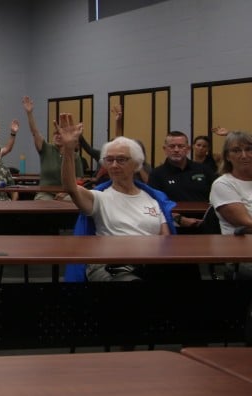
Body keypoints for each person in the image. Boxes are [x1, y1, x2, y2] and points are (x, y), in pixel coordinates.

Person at [58, 114, 173, 283]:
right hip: (110, 266)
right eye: (109, 160)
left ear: (136, 164)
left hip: (148, 264)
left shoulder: (153, 199)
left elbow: (166, 240)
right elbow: (70, 188)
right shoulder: (100, 198)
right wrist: (68, 149)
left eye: (121, 160)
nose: (113, 165)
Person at [148, 131, 217, 230]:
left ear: (188, 149)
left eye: (181, 146)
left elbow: (217, 197)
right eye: (172, 146)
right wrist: (178, 219)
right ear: (165, 149)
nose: (176, 150)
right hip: (172, 227)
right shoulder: (156, 174)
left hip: (206, 226)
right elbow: (154, 205)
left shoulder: (204, 170)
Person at [22, 96, 85, 201]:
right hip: (46, 192)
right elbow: (35, 132)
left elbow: (79, 179)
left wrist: (65, 193)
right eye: (55, 134)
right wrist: (29, 113)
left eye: (61, 134)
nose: (58, 136)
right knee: (43, 202)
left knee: (70, 201)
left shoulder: (74, 155)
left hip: (67, 193)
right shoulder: (46, 149)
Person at [209, 131, 252, 238]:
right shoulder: (223, 184)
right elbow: (245, 223)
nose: (244, 155)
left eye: (249, 149)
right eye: (236, 151)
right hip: (239, 248)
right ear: (227, 156)